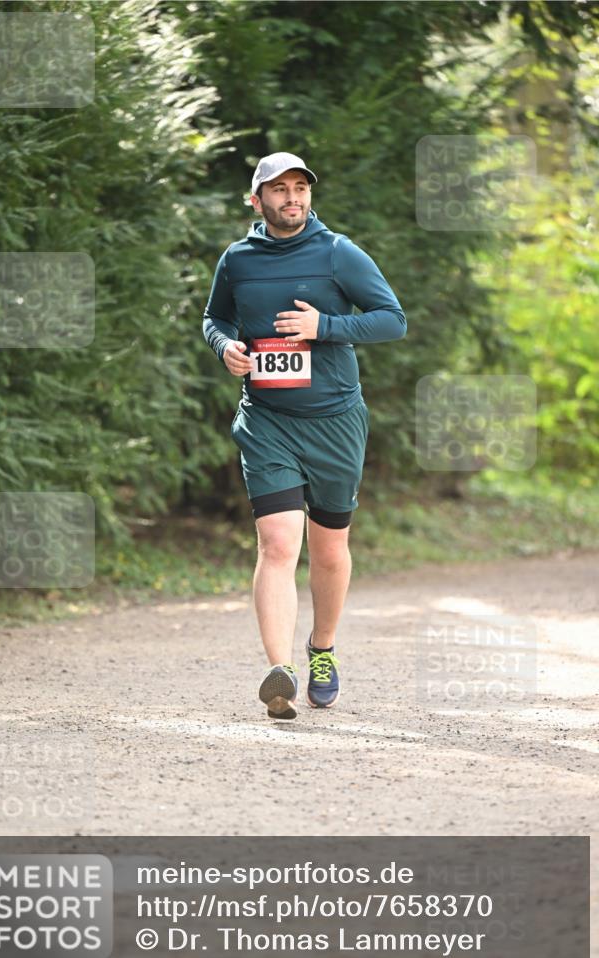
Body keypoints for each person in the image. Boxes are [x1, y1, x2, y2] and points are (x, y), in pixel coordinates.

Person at [203, 151, 407, 720]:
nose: (292, 198)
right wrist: (225, 346)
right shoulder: (237, 259)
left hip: (335, 422)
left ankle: (321, 649)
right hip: (267, 420)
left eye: (300, 188)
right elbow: (215, 317)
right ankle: (281, 672)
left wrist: (325, 326)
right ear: (257, 200)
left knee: (329, 549)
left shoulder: (338, 252)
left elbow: (393, 319)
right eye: (279, 189)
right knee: (276, 544)